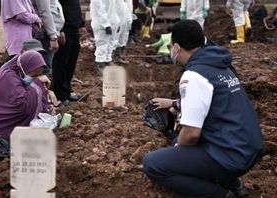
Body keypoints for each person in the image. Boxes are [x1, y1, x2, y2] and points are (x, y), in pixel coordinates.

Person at [143, 20, 263, 198]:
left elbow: (191, 134)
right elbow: (213, 100)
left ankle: (220, 194)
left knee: (153, 163)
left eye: (170, 47)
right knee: (183, 130)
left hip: (231, 155)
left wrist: (176, 149)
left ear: (176, 47)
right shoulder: (218, 64)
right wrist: (176, 104)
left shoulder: (193, 76)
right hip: (247, 147)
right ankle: (230, 181)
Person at [0, 51, 56, 167]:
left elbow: (33, 92)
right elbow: (23, 105)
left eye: (37, 75)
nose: (34, 78)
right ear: (24, 68)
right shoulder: (8, 77)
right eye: (33, 75)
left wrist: (44, 101)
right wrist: (40, 86)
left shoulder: (18, 73)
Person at [52, 0, 86, 106]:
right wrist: (59, 29)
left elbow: (75, 8)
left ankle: (67, 92)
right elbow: (54, 11)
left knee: (71, 64)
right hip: (64, 31)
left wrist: (81, 24)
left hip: (74, 30)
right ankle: (60, 95)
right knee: (61, 64)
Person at [32, 0, 65, 73]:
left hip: (49, 31)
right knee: (43, 68)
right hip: (45, 33)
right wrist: (53, 37)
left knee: (45, 67)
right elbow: (45, 13)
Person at [90, 0, 120, 73]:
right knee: (102, 44)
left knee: (110, 43)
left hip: (112, 23)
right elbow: (100, 9)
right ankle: (100, 64)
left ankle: (107, 60)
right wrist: (106, 24)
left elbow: (114, 9)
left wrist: (117, 22)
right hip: (101, 24)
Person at [113, 0, 133, 64]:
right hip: (117, 21)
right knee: (115, 40)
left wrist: (129, 21)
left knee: (123, 39)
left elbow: (129, 10)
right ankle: (112, 58)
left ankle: (119, 56)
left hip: (125, 21)